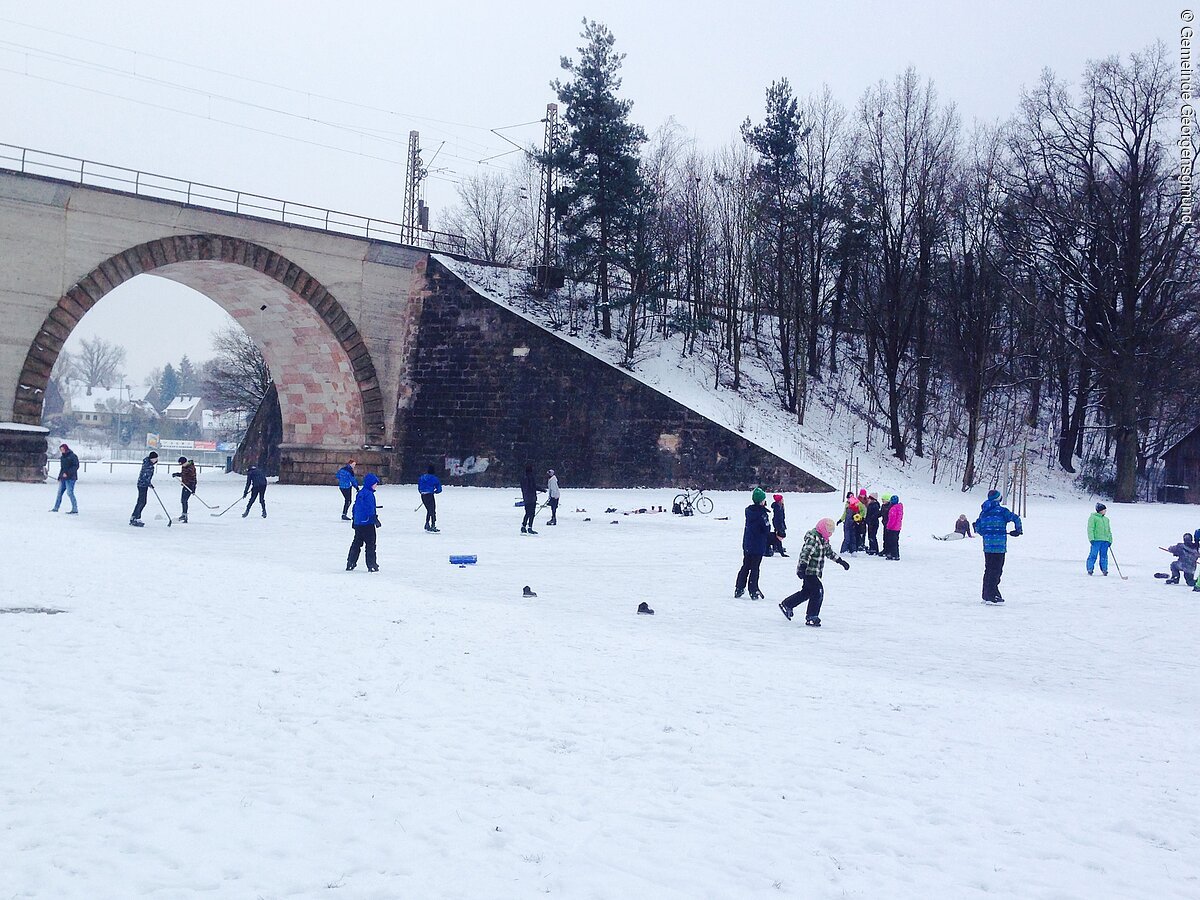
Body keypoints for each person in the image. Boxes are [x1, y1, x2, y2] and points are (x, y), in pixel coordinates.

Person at [778, 517, 850, 627]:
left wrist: (841, 561)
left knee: (806, 592)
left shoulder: (823, 539)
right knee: (818, 591)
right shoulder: (814, 539)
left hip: (814, 572)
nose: (830, 534)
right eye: (829, 532)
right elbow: (805, 553)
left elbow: (829, 552)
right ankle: (811, 616)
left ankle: (787, 604)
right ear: (824, 529)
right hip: (808, 571)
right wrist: (802, 567)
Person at [973, 489, 1022, 603]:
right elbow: (1016, 518)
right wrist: (1018, 530)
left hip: (987, 546)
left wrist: (986, 532)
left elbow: (979, 529)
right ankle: (992, 595)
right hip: (999, 546)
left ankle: (986, 594)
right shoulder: (1002, 511)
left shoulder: (984, 513)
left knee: (988, 569)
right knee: (996, 570)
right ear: (998, 499)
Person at [734, 487, 772, 599]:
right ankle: (753, 589)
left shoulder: (749, 512)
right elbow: (766, 529)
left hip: (748, 544)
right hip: (758, 545)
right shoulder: (762, 514)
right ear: (761, 501)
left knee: (745, 565)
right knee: (755, 568)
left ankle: (739, 587)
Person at [346, 473, 381, 572]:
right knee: (370, 544)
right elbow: (369, 508)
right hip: (368, 523)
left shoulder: (360, 493)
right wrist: (374, 519)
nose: (376, 485)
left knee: (356, 543)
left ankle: (351, 562)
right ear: (370, 484)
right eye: (375, 483)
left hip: (359, 523)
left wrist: (354, 519)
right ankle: (371, 564)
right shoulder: (369, 495)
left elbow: (355, 507)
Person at [129, 451, 158, 527]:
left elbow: (146, 477)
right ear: (152, 458)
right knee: (142, 502)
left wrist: (149, 483)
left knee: (141, 502)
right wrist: (148, 483)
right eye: (155, 458)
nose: (156, 460)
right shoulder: (148, 465)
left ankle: (134, 517)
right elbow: (145, 476)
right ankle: (136, 517)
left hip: (143, 484)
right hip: (142, 485)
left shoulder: (149, 464)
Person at [50, 442, 79, 514]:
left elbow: (76, 466)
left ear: (66, 449)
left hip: (71, 478)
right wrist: (60, 476)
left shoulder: (73, 456)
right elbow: (62, 468)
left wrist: (68, 473)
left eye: (62, 449)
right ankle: (56, 508)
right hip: (63, 478)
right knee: (59, 493)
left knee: (70, 493)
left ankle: (75, 509)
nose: (62, 451)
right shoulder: (62, 457)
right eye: (61, 450)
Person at [1086, 502, 1112, 576]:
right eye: (1104, 510)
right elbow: (1090, 528)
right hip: (1096, 540)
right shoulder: (1093, 518)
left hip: (1105, 541)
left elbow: (1109, 530)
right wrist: (1091, 538)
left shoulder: (1106, 519)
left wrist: (1110, 540)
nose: (1105, 511)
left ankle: (1104, 569)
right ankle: (1090, 569)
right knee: (1093, 555)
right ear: (1100, 510)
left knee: (1104, 555)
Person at [170, 456, 197, 523]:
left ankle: (184, 516)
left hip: (190, 486)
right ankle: (184, 515)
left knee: (184, 500)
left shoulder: (191, 468)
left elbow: (193, 479)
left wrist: (193, 488)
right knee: (183, 500)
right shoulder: (184, 466)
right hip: (185, 486)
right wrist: (177, 474)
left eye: (182, 464)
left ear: (185, 462)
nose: (181, 465)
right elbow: (184, 474)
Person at [418, 464, 443, 532]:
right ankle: (433, 525)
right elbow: (439, 489)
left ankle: (427, 524)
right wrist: (435, 491)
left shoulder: (422, 477)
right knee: (432, 510)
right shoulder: (434, 478)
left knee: (429, 510)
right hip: (430, 495)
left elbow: (419, 487)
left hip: (423, 495)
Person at [520, 463, 540, 534]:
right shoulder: (531, 477)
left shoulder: (523, 477)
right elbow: (533, 487)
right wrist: (541, 489)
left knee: (527, 513)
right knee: (532, 513)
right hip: (532, 498)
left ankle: (523, 526)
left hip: (526, 497)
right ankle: (530, 527)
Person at [883, 494, 904, 560]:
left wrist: (888, 526)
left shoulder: (893, 508)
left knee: (892, 541)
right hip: (897, 527)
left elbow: (892, 519)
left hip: (892, 528)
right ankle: (896, 554)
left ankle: (893, 554)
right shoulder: (899, 508)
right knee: (895, 541)